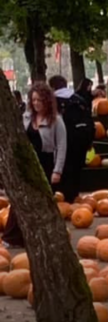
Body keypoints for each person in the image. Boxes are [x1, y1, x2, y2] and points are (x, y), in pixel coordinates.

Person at [2, 82, 67, 248]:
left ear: (47, 100)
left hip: (45, 163)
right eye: (34, 100)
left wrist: (57, 171)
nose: (36, 103)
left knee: (43, 202)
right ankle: (12, 236)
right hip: (27, 162)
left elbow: (61, 146)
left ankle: (48, 236)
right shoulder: (26, 117)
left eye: (40, 100)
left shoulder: (56, 121)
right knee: (21, 199)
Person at [48, 75, 95, 203]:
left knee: (63, 171)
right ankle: (74, 198)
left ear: (52, 87)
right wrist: (90, 139)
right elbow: (89, 119)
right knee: (76, 171)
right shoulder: (79, 99)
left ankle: (63, 200)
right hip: (81, 140)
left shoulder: (53, 101)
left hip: (64, 141)